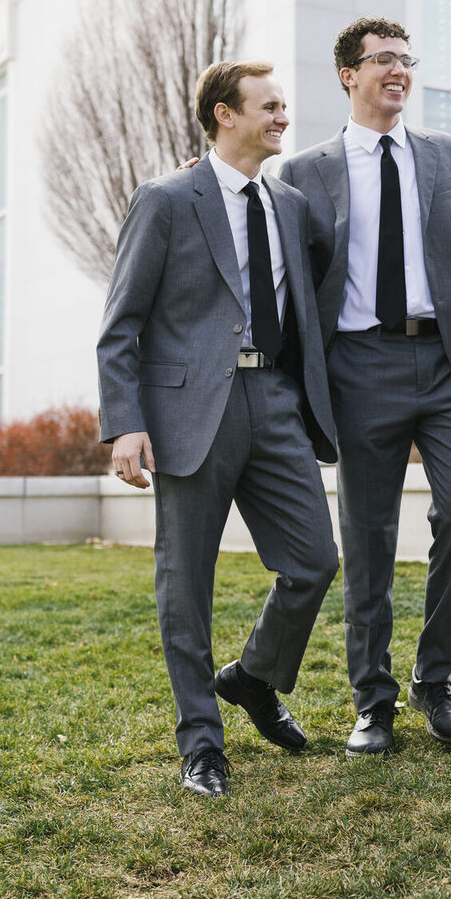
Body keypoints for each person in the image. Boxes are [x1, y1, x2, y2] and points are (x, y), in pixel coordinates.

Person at [97, 61, 339, 798]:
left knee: (315, 557)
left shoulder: (293, 207)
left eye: (284, 107)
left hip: (273, 399)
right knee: (185, 584)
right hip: (187, 411)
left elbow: (317, 276)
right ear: (223, 114)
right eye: (268, 107)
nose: (282, 118)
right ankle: (202, 743)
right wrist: (125, 424)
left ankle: (253, 677)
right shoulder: (166, 199)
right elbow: (122, 324)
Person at [279, 17, 451, 757]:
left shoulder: (449, 157)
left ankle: (435, 680)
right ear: (348, 74)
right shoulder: (305, 172)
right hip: (358, 368)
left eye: (406, 59)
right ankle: (372, 698)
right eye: (382, 60)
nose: (397, 71)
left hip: (448, 366)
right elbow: (284, 283)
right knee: (367, 541)